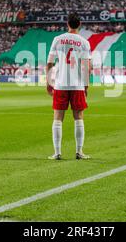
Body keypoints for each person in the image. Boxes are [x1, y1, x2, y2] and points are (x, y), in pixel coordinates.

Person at [46, 13, 91, 160]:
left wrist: (48, 82)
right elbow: (86, 66)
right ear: (80, 24)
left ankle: (57, 153)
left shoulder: (57, 39)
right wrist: (86, 85)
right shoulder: (84, 42)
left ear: (67, 24)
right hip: (77, 84)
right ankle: (79, 152)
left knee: (58, 118)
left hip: (60, 84)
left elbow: (50, 63)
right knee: (78, 117)